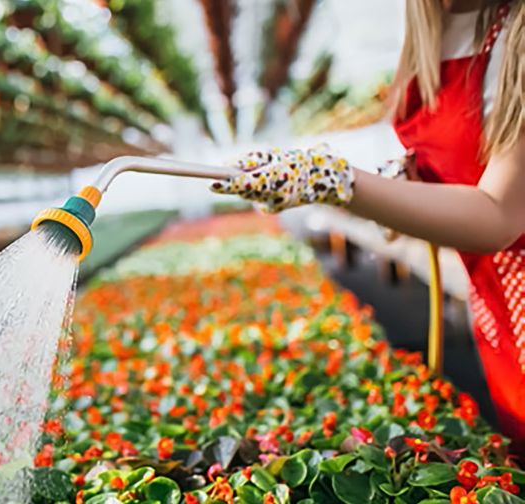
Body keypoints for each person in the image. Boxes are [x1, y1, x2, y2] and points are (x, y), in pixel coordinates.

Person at [211, 0, 525, 449]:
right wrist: (414, 180)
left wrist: (337, 182)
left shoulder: (517, 35)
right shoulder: (430, 31)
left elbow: (497, 216)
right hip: (492, 297)